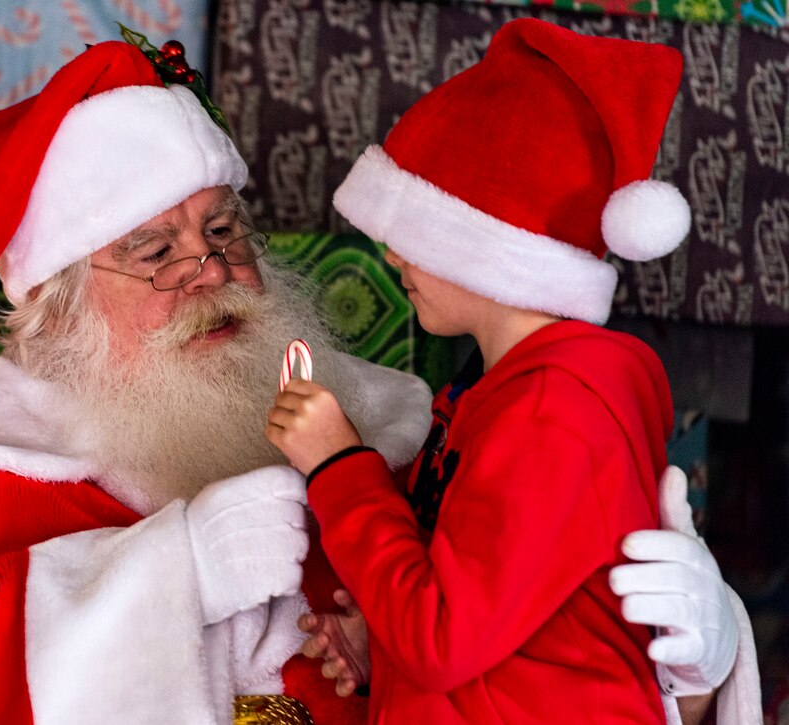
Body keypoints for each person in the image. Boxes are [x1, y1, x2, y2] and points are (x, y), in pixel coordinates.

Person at [0, 36, 749, 725]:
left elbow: (519, 680)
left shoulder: (392, 434)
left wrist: (692, 670)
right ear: (52, 309)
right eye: (153, 250)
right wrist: (169, 574)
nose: (207, 270)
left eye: (223, 230)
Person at [267, 18, 759, 725]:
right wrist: (384, 650)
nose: (392, 256)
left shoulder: (555, 412)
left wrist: (339, 463)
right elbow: (500, 630)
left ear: (481, 243)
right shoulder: (491, 396)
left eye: (411, 230)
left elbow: (443, 637)